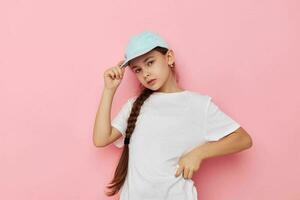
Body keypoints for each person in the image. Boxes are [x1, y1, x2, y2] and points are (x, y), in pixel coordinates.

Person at [93, 31, 253, 200]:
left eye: (150, 62)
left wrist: (199, 153)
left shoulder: (198, 105)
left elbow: (243, 139)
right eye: (138, 70)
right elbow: (101, 139)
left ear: (169, 57)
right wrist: (109, 90)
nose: (145, 73)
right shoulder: (134, 105)